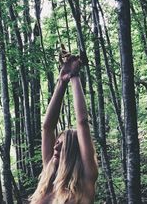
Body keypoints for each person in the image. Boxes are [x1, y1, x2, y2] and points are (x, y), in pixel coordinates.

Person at [30, 48, 98, 204]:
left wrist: (74, 77)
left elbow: (82, 123)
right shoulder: (50, 171)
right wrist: (61, 81)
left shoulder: (86, 178)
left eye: (61, 146)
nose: (55, 148)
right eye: (56, 144)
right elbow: (47, 127)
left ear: (73, 150)